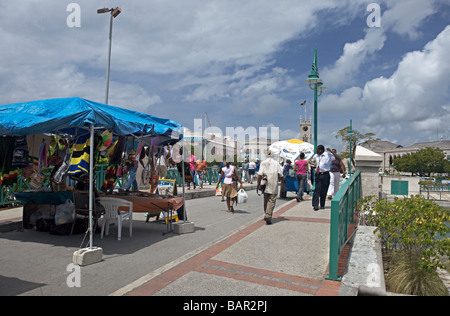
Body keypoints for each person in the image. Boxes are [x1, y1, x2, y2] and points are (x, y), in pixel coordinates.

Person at [257, 150, 282, 225]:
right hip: (273, 184)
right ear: (273, 155)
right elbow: (280, 175)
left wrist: (258, 184)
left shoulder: (263, 163)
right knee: (272, 200)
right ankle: (268, 215)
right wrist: (282, 183)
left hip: (265, 184)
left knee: (266, 200)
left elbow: (260, 175)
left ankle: (267, 214)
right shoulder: (277, 163)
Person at [311, 145, 335, 211]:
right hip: (318, 174)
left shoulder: (328, 155)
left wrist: (331, 152)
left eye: (317, 149)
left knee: (324, 190)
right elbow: (312, 161)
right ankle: (315, 205)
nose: (316, 151)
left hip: (325, 174)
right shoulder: (316, 156)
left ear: (321, 150)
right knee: (317, 189)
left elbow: (335, 158)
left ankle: (322, 204)